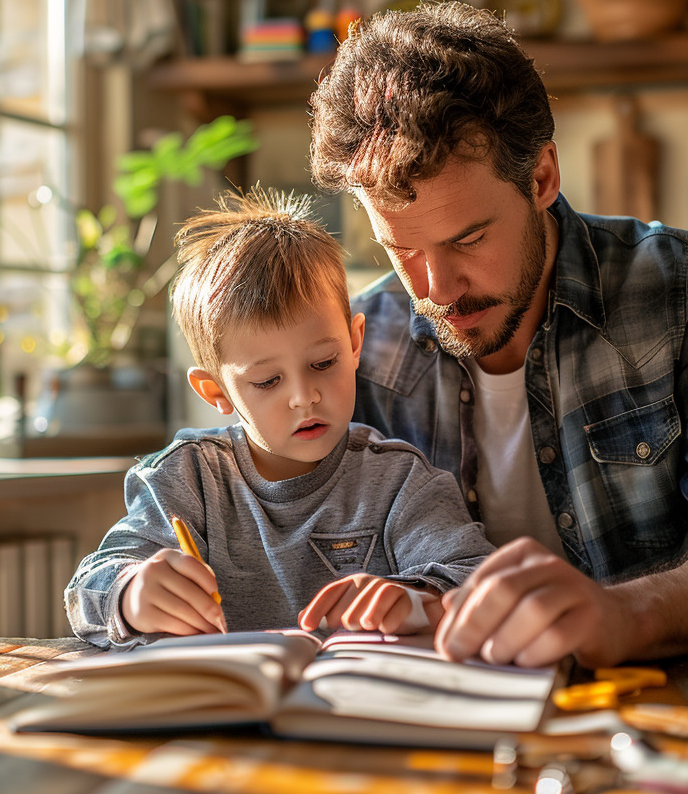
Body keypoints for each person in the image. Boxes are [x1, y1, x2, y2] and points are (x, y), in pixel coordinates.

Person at [308, 1, 688, 671]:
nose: (438, 289)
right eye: (402, 250)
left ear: (541, 177)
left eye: (470, 238)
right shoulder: (365, 345)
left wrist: (631, 615)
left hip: (664, 703)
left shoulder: (675, 285)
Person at [65, 188, 495, 649]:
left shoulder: (399, 480)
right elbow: (87, 590)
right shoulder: (186, 479)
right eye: (268, 382)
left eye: (323, 363)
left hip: (358, 706)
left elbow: (478, 579)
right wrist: (130, 594)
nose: (304, 397)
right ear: (216, 392)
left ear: (354, 344)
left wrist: (417, 597)